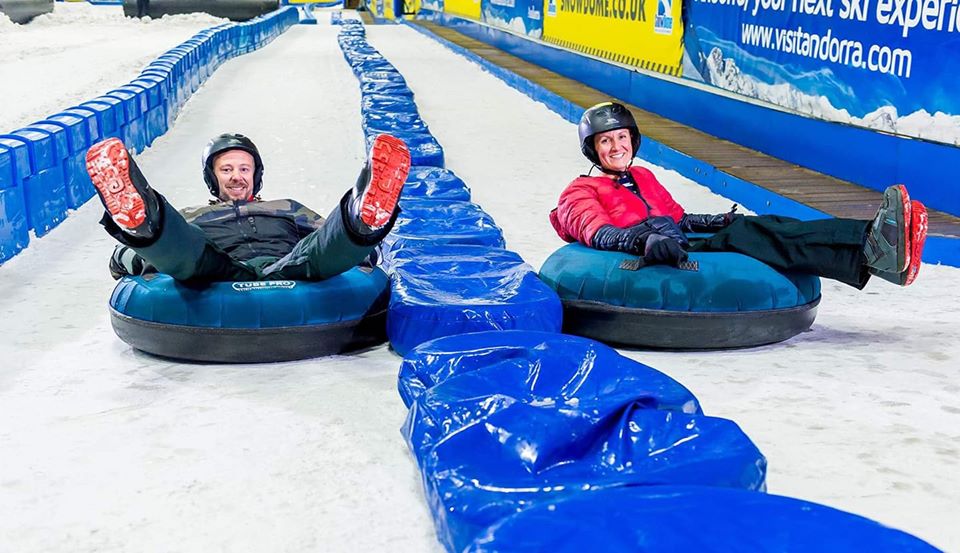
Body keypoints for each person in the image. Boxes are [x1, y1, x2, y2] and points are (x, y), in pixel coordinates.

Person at [550, 102, 928, 288]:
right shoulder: (579, 191)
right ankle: (871, 244)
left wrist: (715, 221)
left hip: (676, 238)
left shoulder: (644, 176)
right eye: (606, 141)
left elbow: (677, 218)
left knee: (762, 226)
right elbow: (596, 231)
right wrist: (644, 240)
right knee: (751, 237)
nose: (616, 147)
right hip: (653, 255)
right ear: (592, 149)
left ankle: (875, 252)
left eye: (622, 138)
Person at [89, 132, 410, 283]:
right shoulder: (190, 216)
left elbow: (324, 239)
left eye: (244, 169)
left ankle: (364, 214)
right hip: (214, 269)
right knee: (187, 249)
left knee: (313, 253)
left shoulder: (287, 207)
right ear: (211, 178)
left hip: (288, 265)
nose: (237, 177)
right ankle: (142, 219)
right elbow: (170, 252)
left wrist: (361, 250)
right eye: (226, 169)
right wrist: (133, 255)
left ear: (256, 175)